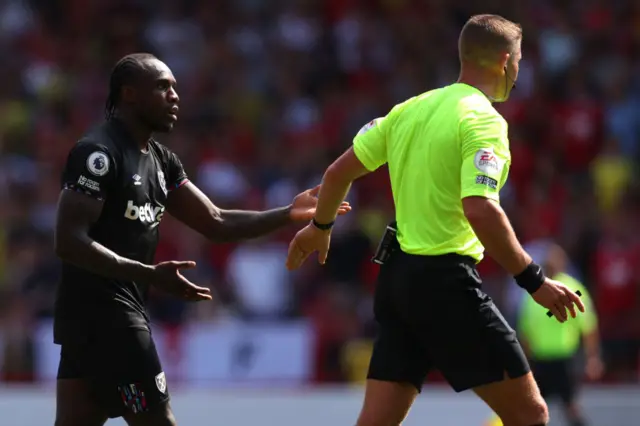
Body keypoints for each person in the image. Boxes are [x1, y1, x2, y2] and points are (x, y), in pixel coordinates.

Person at [285, 14, 584, 426]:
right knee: (530, 415)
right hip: (445, 282)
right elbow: (479, 208)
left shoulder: (409, 109)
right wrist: (534, 280)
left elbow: (338, 174)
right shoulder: (483, 120)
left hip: (397, 281)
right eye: (518, 61)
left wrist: (320, 228)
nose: (518, 72)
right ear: (503, 61)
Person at [53, 52, 350, 426]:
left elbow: (216, 221)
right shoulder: (98, 154)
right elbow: (68, 241)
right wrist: (147, 274)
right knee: (160, 420)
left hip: (95, 324)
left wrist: (288, 213)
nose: (175, 96)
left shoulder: (161, 161)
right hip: (110, 318)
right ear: (129, 94)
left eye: (175, 88)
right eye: (163, 87)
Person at [485, 244, 603, 426]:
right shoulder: (535, 292)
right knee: (532, 406)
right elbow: (525, 330)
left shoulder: (573, 288)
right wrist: (524, 361)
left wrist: (592, 357)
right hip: (540, 360)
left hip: (565, 359)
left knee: (570, 407)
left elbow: (588, 326)